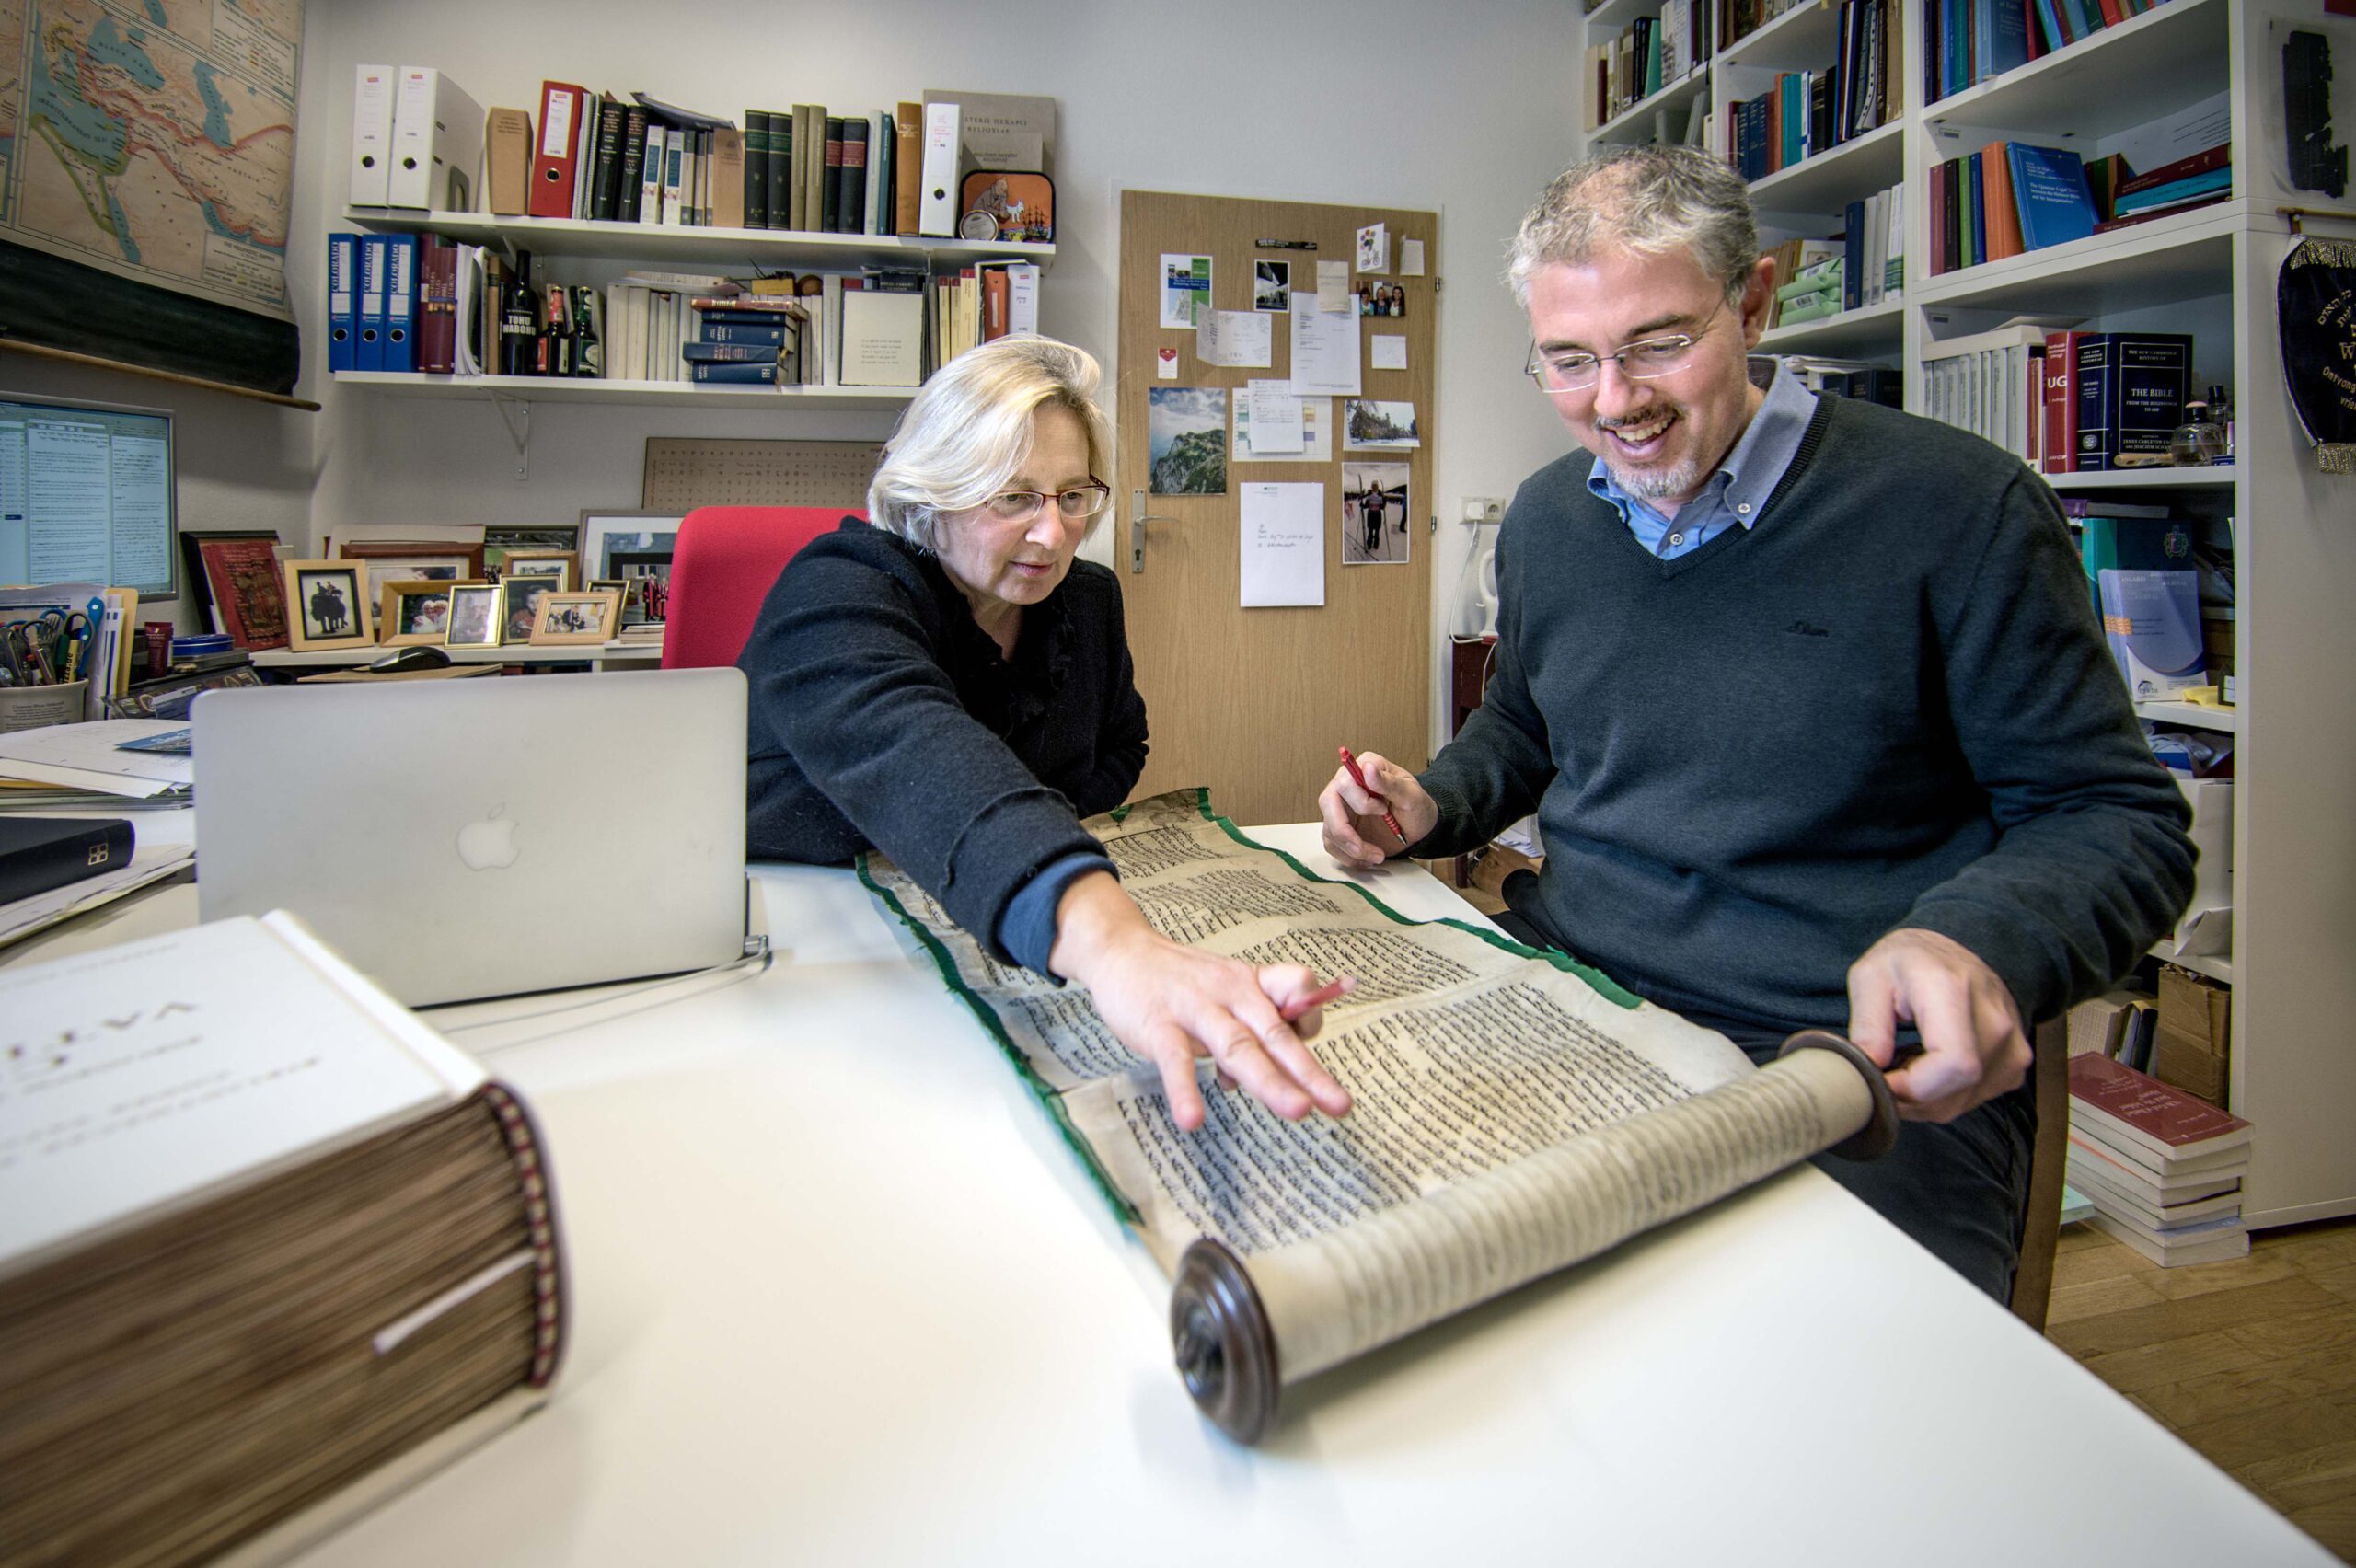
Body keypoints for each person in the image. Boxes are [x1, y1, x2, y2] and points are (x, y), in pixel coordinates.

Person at [1319, 146, 2194, 1301]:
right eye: (1570, 362)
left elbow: (2118, 819)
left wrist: (1973, 939)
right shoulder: (1544, 520)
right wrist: (1434, 801)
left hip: (1838, 1050)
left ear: (1755, 300)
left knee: (1822, 1397)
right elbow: (1527, 729)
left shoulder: (1958, 509)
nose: (1615, 403)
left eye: (1659, 343)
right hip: (1579, 993)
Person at [743, 335, 1351, 1133]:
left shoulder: (1086, 600)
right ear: (934, 493)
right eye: (1014, 498)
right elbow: (922, 757)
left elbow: (1119, 750)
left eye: (1073, 496)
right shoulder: (834, 591)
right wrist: (1113, 945)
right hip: (810, 949)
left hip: (989, 924)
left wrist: (1041, 846)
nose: (1053, 535)